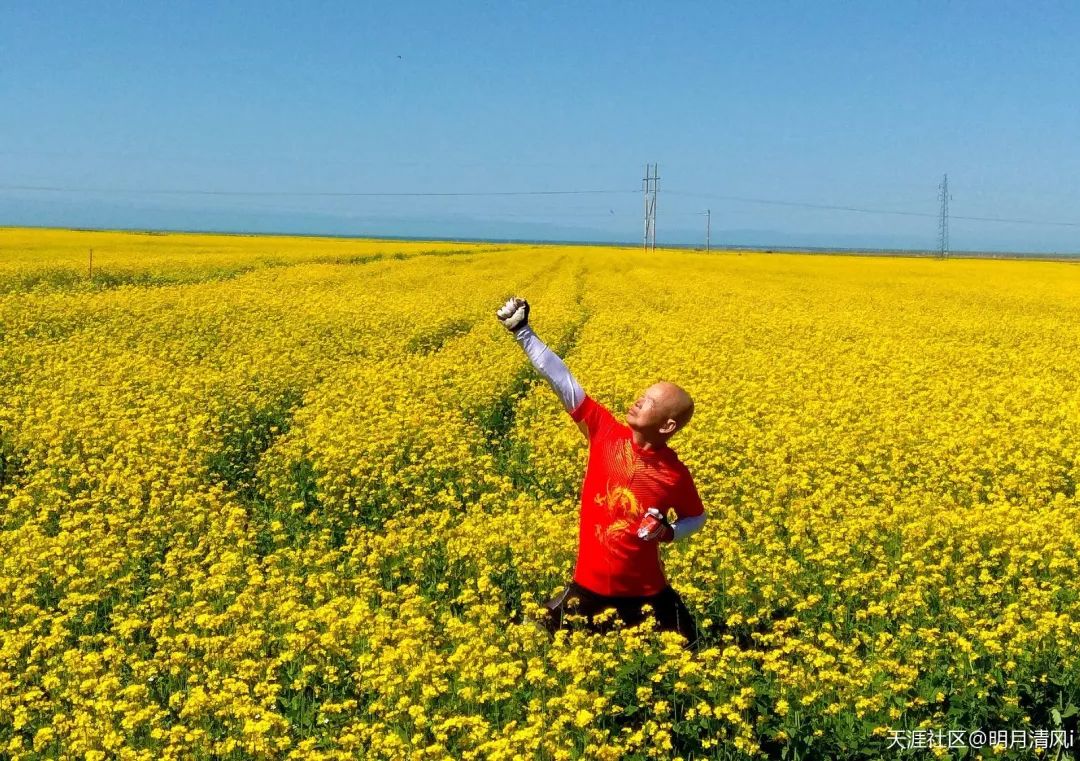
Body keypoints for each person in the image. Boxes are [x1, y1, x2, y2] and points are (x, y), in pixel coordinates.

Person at [495, 296, 707, 649]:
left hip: (649, 594)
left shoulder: (674, 474)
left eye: (651, 401)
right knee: (530, 642)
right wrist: (523, 332)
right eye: (643, 395)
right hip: (588, 587)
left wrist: (669, 533)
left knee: (695, 650)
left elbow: (696, 518)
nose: (640, 400)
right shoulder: (604, 432)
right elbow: (563, 379)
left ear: (668, 425)